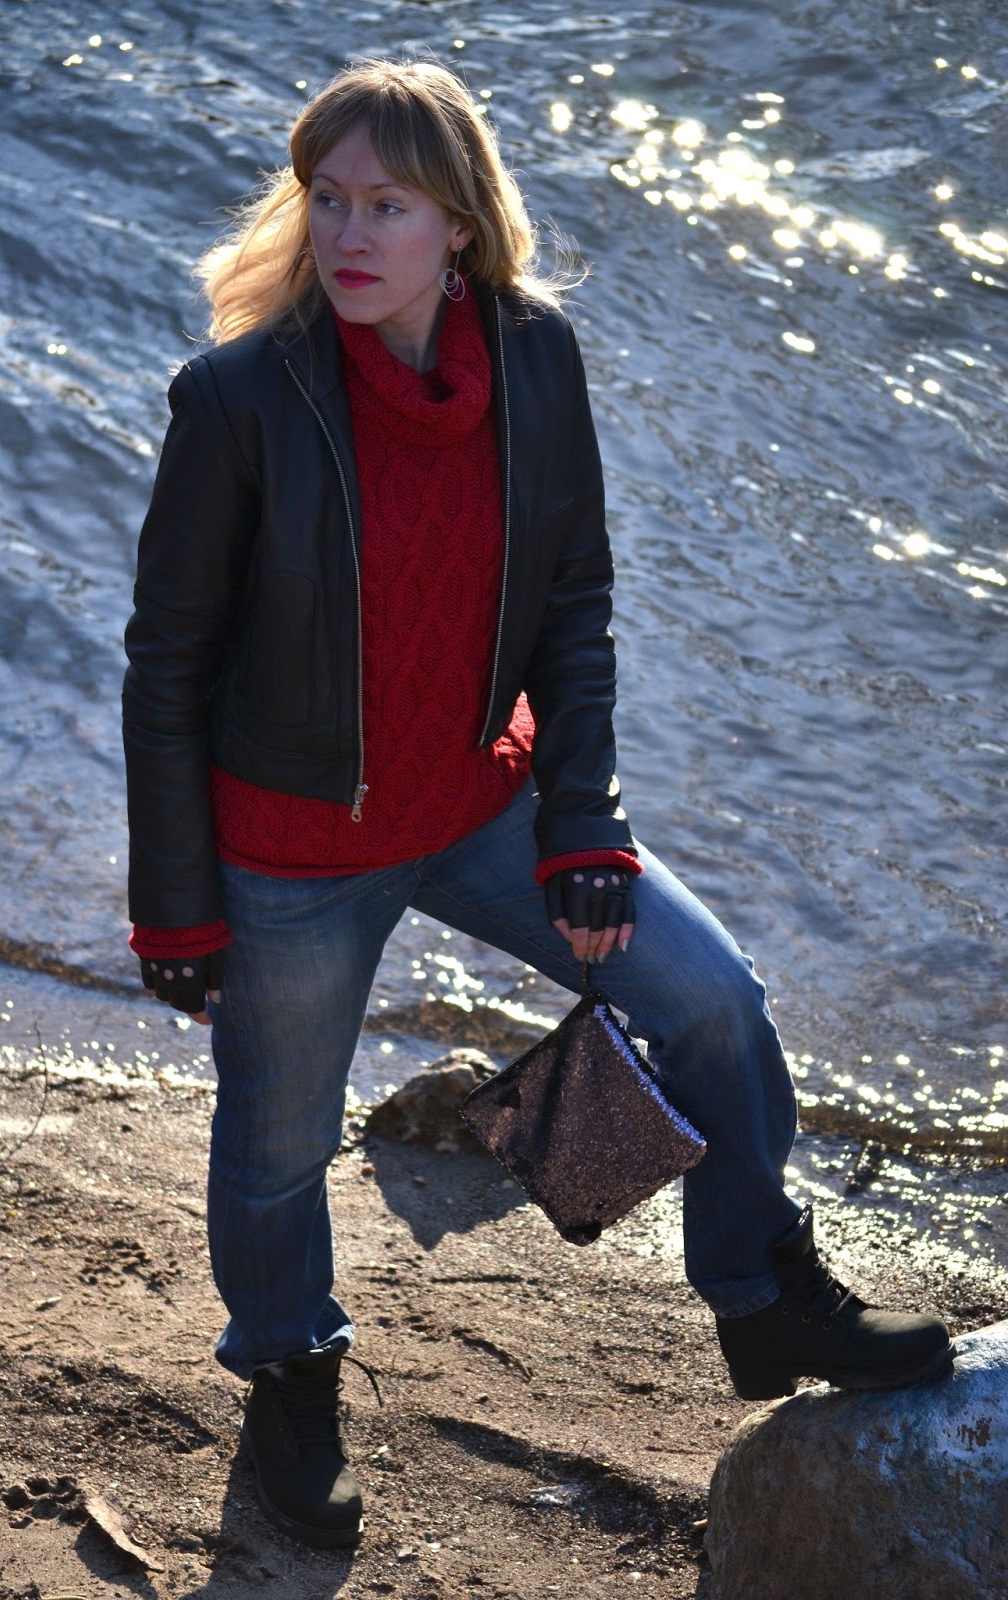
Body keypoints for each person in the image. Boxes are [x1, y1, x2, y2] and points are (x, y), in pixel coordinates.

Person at [122, 57, 953, 1550]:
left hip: (481, 802)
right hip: (295, 847)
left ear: (458, 223)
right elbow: (166, 665)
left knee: (711, 1000)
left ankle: (762, 1290)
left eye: (387, 204)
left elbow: (574, 605)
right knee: (275, 1144)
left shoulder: (534, 360)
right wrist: (175, 903)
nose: (348, 234)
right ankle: (292, 1381)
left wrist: (582, 818)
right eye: (327, 199)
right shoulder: (239, 398)